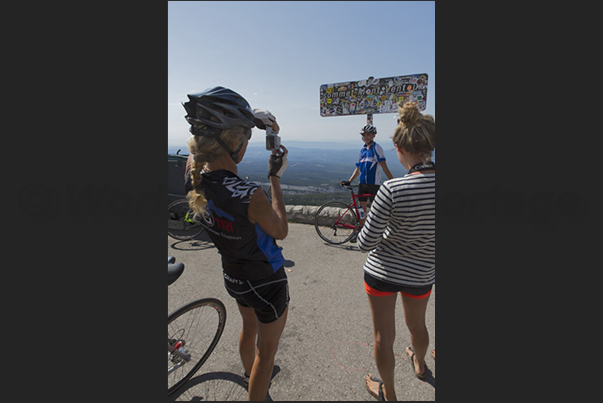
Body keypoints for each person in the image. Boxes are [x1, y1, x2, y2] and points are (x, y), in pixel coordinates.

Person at [183, 86, 290, 401]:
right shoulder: (249, 194)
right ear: (238, 145)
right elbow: (281, 229)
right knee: (266, 353)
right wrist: (275, 179)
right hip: (266, 282)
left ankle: (248, 373)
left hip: (233, 276)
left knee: (248, 325)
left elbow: (194, 150)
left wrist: (246, 120)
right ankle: (257, 381)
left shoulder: (193, 176)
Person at [357, 102, 435, 401]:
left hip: (382, 274)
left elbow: (365, 242)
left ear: (399, 148)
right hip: (422, 273)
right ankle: (420, 363)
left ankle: (389, 394)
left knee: (383, 338)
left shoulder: (392, 190)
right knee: (418, 327)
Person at [341, 125, 394, 228]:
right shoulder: (362, 151)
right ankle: (360, 230)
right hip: (363, 185)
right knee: (362, 211)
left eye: (368, 135)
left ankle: (375, 232)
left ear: (373, 135)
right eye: (364, 135)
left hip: (373, 184)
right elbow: (358, 169)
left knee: (377, 211)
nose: (365, 137)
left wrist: (393, 182)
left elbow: (384, 167)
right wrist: (350, 181)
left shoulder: (377, 148)